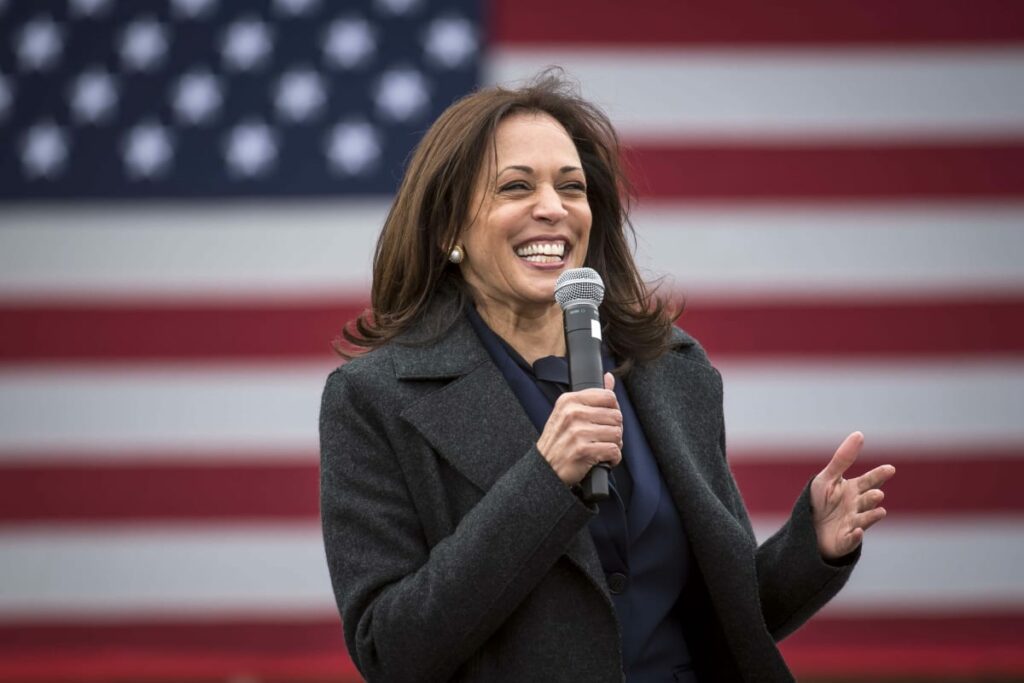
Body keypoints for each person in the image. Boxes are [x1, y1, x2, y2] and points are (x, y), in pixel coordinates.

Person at [319, 73, 895, 683]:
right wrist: (545, 480)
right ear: (447, 230)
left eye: (572, 187)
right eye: (516, 187)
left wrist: (812, 547)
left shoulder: (671, 369)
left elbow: (721, 620)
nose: (553, 207)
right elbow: (391, 649)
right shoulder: (374, 398)